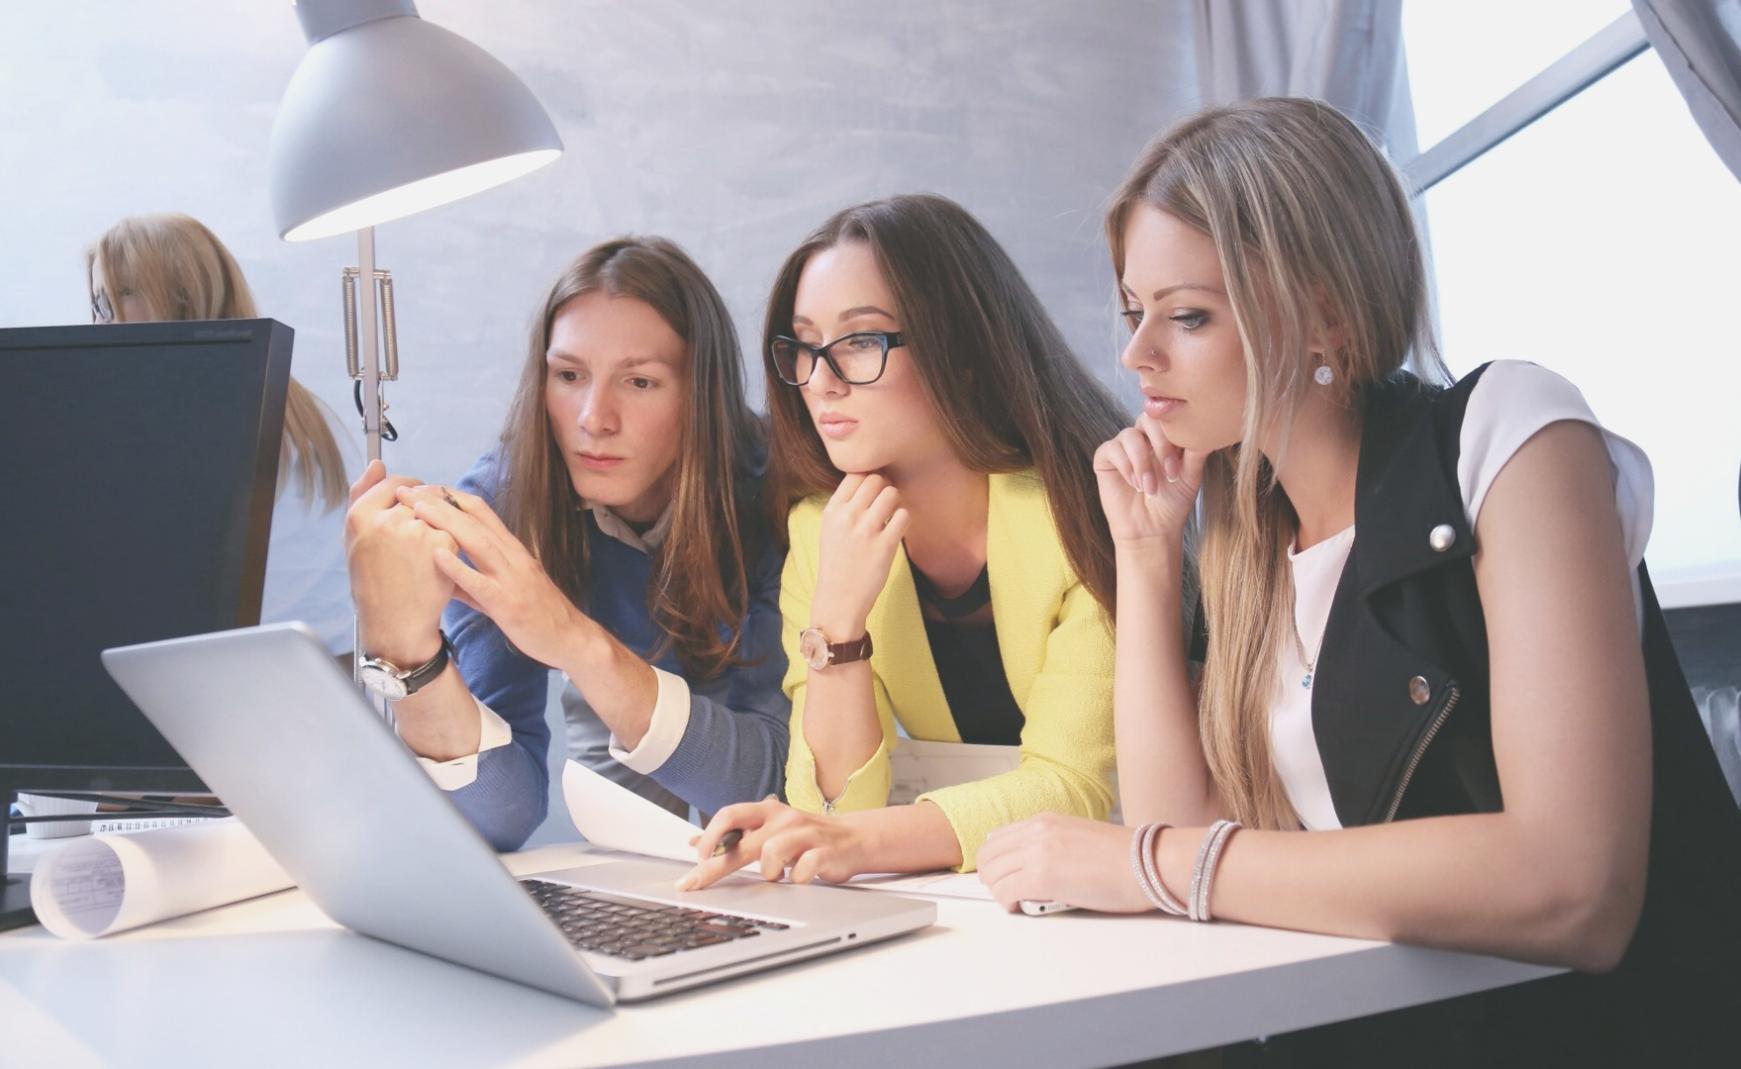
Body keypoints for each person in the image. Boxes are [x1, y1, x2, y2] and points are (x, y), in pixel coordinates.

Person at [973, 98, 1741, 1062]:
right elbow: (1181, 836)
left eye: (1188, 315)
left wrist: (1150, 858)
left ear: (1325, 314)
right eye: (1134, 313)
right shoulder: (1249, 536)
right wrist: (1144, 552)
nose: (1136, 354)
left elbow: (1571, 887)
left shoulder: (1509, 433)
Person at [681, 194, 1130, 889]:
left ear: (965, 351)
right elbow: (832, 806)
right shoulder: (821, 528)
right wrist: (838, 624)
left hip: (1126, 889)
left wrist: (855, 840)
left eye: (860, 341)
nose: (820, 382)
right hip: (973, 895)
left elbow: (1073, 789)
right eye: (804, 345)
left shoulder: (1086, 512)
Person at [344, 236, 787, 851]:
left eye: (640, 381)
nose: (593, 419)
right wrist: (407, 653)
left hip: (721, 709)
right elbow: (500, 818)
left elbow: (777, 789)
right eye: (570, 375)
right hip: (614, 701)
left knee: (753, 847)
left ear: (700, 393)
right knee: (625, 856)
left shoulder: (776, 493)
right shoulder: (502, 503)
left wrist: (573, 641)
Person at [88, 212, 353, 651]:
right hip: (322, 663)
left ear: (177, 294)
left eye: (111, 300)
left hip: (228, 666)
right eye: (96, 305)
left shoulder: (192, 418)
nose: (100, 323)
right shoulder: (300, 407)